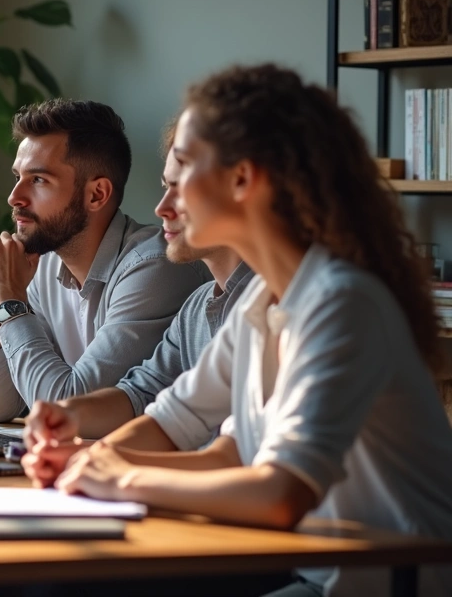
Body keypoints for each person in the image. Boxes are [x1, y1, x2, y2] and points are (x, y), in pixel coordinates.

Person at [42, 64, 452, 596]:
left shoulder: (342, 303)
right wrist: (86, 460)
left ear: (243, 179)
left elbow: (281, 494)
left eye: (184, 168)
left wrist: (117, 478)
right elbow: (183, 427)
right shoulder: (264, 302)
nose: (163, 202)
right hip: (319, 577)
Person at [20, 119, 252, 475]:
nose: (161, 207)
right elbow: (148, 398)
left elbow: (241, 464)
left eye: (181, 187)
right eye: (165, 186)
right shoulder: (200, 306)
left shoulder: (287, 306)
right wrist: (73, 426)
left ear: (243, 189)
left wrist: (115, 473)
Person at [0, 99, 209, 424]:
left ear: (97, 194)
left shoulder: (154, 268)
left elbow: (68, 408)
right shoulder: (42, 267)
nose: (15, 197)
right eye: (17, 177)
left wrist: (9, 300)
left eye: (38, 180)